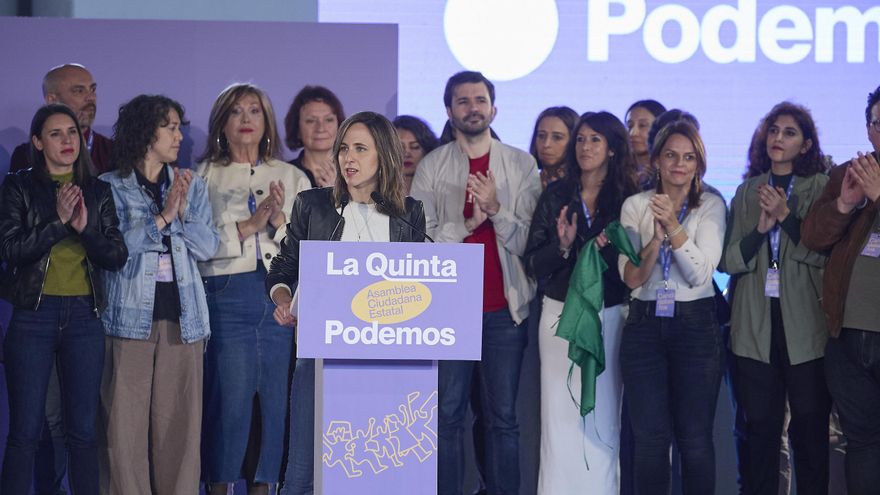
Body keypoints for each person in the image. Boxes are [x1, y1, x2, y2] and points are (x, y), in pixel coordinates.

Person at [266, 111, 427, 494]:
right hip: (319, 356)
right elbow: (283, 267)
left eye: (359, 149)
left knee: (371, 470)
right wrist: (284, 300)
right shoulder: (313, 205)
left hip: (385, 361)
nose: (348, 158)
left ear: (383, 155)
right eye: (343, 149)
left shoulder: (408, 214)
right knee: (302, 472)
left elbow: (419, 287)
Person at [411, 70, 541, 495]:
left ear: (494, 108)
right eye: (463, 101)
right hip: (448, 310)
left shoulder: (521, 164)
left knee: (501, 417)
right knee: (446, 416)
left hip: (504, 309)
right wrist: (467, 223)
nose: (473, 108)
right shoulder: (432, 165)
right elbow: (420, 239)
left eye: (480, 100)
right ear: (449, 112)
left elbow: (528, 242)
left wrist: (496, 209)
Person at [0, 103, 127, 494]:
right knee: (26, 429)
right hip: (33, 316)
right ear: (38, 142)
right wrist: (58, 223)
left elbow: (116, 256)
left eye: (71, 132)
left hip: (84, 318)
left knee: (83, 431)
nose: (67, 140)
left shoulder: (98, 189)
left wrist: (85, 228)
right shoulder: (18, 185)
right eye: (55, 133)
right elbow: (11, 249)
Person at [100, 94, 219, 495]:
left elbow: (208, 247)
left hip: (184, 320)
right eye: (169, 126)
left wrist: (182, 212)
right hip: (128, 319)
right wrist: (163, 217)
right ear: (144, 132)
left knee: (179, 430)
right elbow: (113, 250)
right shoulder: (110, 187)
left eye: (179, 126)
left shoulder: (191, 184)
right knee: (124, 430)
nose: (179, 134)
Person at [197, 83, 310, 494]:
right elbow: (197, 243)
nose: (246, 120)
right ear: (221, 123)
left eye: (254, 112)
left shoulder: (291, 176)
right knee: (230, 401)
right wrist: (247, 226)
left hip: (277, 296)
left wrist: (278, 221)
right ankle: (219, 485)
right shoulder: (203, 176)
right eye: (236, 112)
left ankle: (265, 487)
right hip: (226, 294)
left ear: (267, 123)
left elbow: (306, 249)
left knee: (275, 403)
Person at [524, 111, 638, 494]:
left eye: (595, 140)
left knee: (604, 414)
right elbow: (534, 263)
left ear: (612, 148)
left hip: (609, 315)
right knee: (558, 414)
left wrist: (602, 249)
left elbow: (633, 264)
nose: (585, 147)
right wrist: (564, 246)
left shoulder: (627, 197)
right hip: (559, 315)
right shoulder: (557, 194)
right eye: (581, 140)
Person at [722, 102, 832, 495]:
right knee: (760, 434)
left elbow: (823, 255)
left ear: (806, 145)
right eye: (773, 130)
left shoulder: (821, 186)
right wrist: (759, 231)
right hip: (754, 328)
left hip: (806, 330)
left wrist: (786, 217)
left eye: (788, 132)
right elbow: (730, 260)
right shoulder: (748, 190)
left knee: (810, 433)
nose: (777, 139)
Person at [618, 120, 726, 494]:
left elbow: (699, 274)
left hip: (695, 325)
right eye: (671, 156)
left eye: (689, 157)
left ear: (698, 164)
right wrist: (654, 241)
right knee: (649, 440)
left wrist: (674, 225)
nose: (679, 164)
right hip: (644, 324)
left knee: (694, 439)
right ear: (658, 161)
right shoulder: (634, 205)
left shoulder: (710, 205)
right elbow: (632, 278)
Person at [801, 85, 880, 495]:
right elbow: (813, 237)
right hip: (848, 335)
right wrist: (844, 206)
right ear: (869, 129)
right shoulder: (846, 173)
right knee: (862, 443)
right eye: (878, 123)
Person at [10, 64, 113, 175]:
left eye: (92, 89)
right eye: (79, 91)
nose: (91, 97)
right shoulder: (26, 156)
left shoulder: (113, 151)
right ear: (52, 100)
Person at [283, 85, 345, 187]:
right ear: (297, 129)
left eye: (328, 120)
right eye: (311, 121)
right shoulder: (284, 175)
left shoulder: (355, 173)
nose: (320, 128)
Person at [528, 106, 578, 188]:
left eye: (557, 137)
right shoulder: (524, 184)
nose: (546, 144)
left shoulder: (584, 187)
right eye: (541, 136)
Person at [393, 115, 439, 194]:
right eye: (400, 147)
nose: (407, 153)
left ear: (427, 151)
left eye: (415, 147)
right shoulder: (375, 193)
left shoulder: (438, 192)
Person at [625, 99, 666, 187]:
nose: (633, 133)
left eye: (642, 125)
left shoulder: (672, 171)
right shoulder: (616, 172)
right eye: (629, 126)